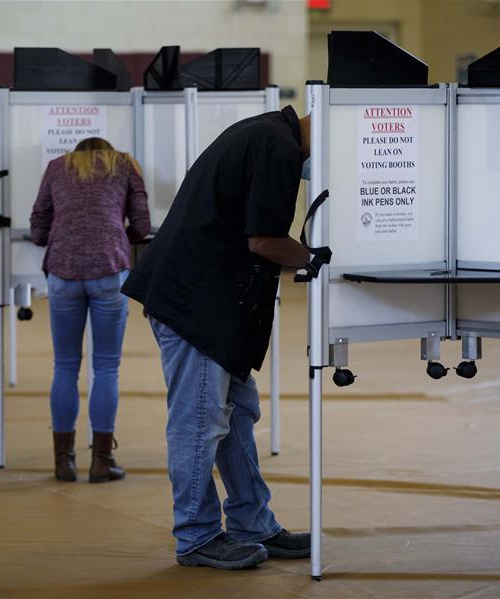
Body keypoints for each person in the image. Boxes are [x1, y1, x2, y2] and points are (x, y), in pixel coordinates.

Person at [122, 106, 312, 570]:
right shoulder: (279, 147)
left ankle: (253, 523)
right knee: (200, 421)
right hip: (197, 305)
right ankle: (197, 536)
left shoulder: (266, 130)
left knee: (237, 415)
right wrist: (317, 257)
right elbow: (264, 240)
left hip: (210, 301)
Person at [30, 137, 150, 483]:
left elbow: (39, 220)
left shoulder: (57, 167)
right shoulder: (124, 164)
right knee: (106, 367)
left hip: (62, 271)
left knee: (65, 366)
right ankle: (101, 460)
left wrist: (50, 237)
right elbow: (142, 224)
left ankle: (63, 462)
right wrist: (114, 233)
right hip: (109, 269)